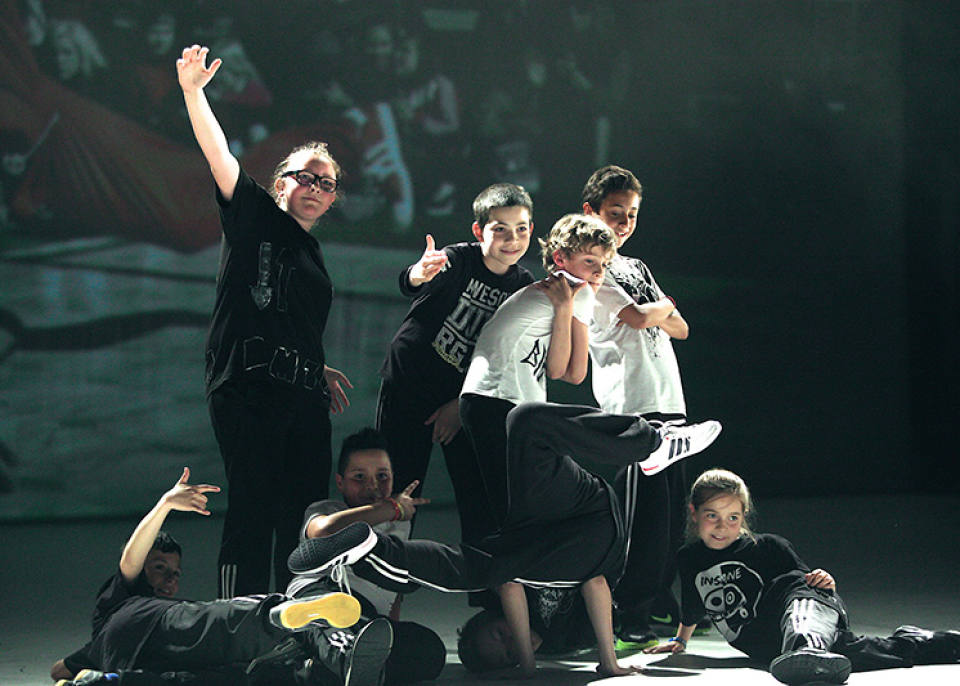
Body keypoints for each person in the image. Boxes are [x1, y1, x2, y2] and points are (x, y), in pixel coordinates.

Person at [287, 400, 688, 678]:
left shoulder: (343, 510)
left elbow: (324, 532)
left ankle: (652, 442)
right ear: (340, 481)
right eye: (510, 650)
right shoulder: (562, 640)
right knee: (527, 426)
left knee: (524, 422)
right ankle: (326, 650)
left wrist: (528, 664)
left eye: (379, 477)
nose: (511, 640)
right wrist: (605, 661)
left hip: (566, 523)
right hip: (601, 538)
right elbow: (596, 584)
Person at [177, 44, 352, 598]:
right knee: (253, 509)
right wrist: (193, 93)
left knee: (304, 517)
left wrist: (315, 366)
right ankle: (240, 622)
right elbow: (219, 155)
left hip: (303, 397)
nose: (316, 189)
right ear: (281, 183)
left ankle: (293, 622)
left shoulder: (313, 256)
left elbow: (291, 318)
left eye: (327, 184)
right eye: (307, 178)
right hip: (249, 390)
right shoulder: (253, 216)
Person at [459, 213, 720, 535]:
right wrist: (567, 307)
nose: (598, 272)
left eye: (604, 264)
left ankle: (651, 445)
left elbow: (564, 371)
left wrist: (565, 309)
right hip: (499, 399)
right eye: (589, 261)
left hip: (488, 400)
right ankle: (653, 444)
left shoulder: (560, 291)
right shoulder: (577, 292)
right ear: (560, 258)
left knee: (508, 513)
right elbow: (572, 372)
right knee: (522, 507)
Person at [51, 469, 391, 686]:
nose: (169, 580)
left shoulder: (99, 639)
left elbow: (58, 670)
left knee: (218, 678)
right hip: (157, 623)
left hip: (134, 663)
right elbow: (130, 558)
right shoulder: (127, 598)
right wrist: (164, 505)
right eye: (159, 568)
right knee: (225, 620)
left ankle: (103, 683)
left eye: (175, 574)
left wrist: (81, 665)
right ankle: (281, 616)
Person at [644, 468, 960, 684]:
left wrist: (825, 582)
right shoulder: (689, 558)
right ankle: (937, 642)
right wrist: (680, 640)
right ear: (693, 512)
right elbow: (693, 606)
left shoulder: (769, 546)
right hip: (774, 649)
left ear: (744, 516)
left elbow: (810, 590)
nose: (721, 526)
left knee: (799, 608)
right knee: (882, 653)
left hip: (809, 612)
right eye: (712, 516)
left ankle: (807, 648)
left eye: (732, 517)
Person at [582, 164, 717, 646]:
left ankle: (657, 604)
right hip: (633, 407)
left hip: (670, 402)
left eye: (632, 215)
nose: (624, 223)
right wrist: (663, 307)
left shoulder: (637, 267)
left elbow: (681, 327)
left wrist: (660, 311)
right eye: (615, 212)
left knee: (668, 520)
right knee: (639, 520)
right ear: (591, 211)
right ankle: (627, 615)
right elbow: (642, 317)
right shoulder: (591, 270)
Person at [377, 183, 534, 541]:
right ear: (479, 231)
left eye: (521, 229)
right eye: (500, 229)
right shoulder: (458, 258)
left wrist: (459, 404)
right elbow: (411, 282)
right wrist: (418, 273)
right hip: (410, 385)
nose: (512, 239)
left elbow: (506, 358)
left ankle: (484, 575)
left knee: (480, 496)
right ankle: (386, 570)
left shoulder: (524, 287)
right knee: (399, 488)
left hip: (464, 397)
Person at [286, 427, 446, 684]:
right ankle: (345, 659)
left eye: (382, 476)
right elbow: (324, 531)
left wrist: (388, 631)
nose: (372, 486)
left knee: (429, 650)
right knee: (333, 617)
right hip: (320, 594)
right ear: (340, 482)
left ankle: (319, 666)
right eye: (359, 477)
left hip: (365, 616)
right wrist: (392, 509)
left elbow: (394, 592)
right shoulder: (326, 510)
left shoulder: (400, 525)